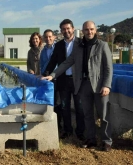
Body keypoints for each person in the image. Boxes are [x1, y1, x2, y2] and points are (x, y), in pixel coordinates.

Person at [42, 21, 113, 152]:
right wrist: (52, 75)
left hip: (99, 86)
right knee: (87, 114)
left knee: (103, 115)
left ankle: (106, 141)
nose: (89, 32)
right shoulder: (79, 47)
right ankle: (91, 139)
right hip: (83, 84)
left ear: (95, 30)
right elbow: (67, 62)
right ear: (82, 31)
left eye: (91, 29)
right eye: (86, 30)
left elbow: (109, 68)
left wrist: (107, 85)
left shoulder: (102, 46)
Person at [43, 20, 85, 141]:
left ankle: (80, 131)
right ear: (61, 31)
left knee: (79, 107)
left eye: (68, 28)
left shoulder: (81, 43)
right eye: (63, 29)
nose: (66, 31)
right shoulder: (59, 45)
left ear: (73, 28)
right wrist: (45, 74)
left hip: (78, 81)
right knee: (65, 107)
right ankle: (67, 130)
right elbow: (53, 62)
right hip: (63, 81)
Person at [39, 29, 63, 132]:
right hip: (47, 79)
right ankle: (50, 123)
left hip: (57, 77)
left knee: (58, 102)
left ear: (54, 37)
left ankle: (59, 126)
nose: (48, 39)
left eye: (50, 37)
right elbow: (42, 64)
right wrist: (42, 75)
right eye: (46, 37)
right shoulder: (43, 50)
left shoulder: (58, 48)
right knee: (50, 101)